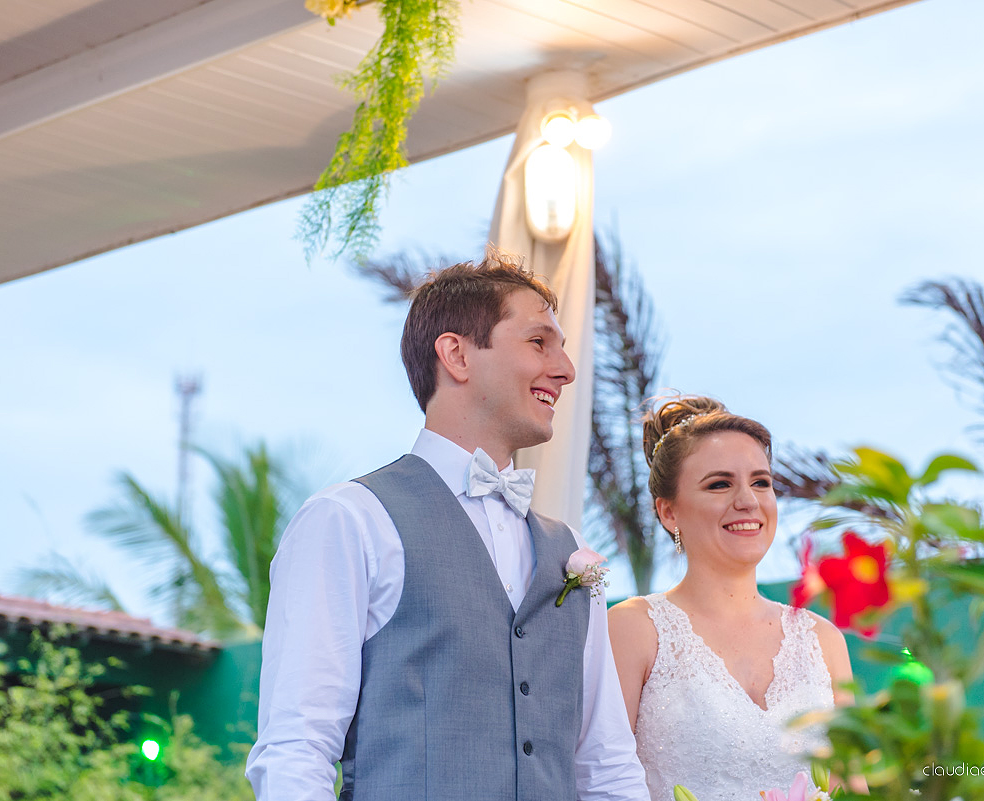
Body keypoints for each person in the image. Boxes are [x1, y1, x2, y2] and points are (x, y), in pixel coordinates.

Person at [246, 251, 650, 801]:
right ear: (456, 354)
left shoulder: (570, 549)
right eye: (539, 342)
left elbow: (604, 763)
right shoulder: (350, 520)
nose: (566, 369)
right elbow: (297, 747)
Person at [608, 396, 855, 801]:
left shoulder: (823, 640)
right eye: (720, 484)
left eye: (761, 482)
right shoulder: (632, 629)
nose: (748, 501)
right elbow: (600, 778)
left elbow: (853, 786)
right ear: (669, 512)